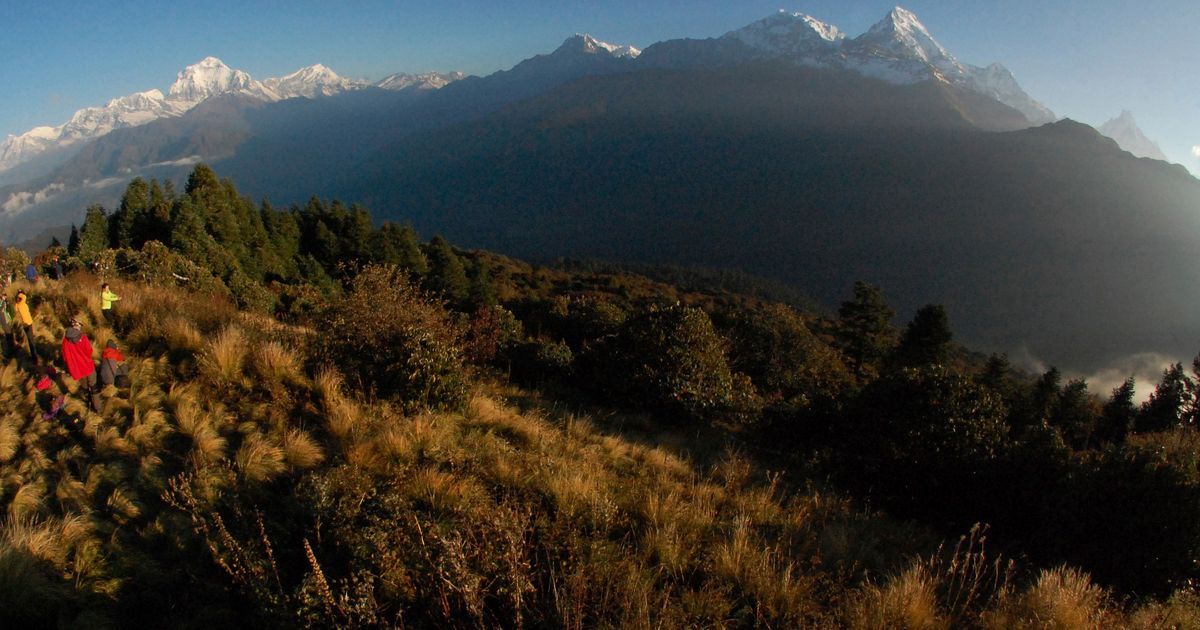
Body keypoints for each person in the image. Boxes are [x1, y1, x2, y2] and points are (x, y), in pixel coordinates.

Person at [61, 320, 101, 412]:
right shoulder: (83, 338)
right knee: (94, 387)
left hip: (78, 369)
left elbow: (65, 357)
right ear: (78, 326)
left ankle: (88, 403)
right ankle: (97, 408)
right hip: (88, 366)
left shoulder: (65, 341)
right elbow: (89, 351)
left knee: (85, 387)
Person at [13, 289, 37, 360]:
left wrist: (18, 295)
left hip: (27, 324)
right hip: (27, 324)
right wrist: (19, 294)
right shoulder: (21, 304)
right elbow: (24, 297)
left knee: (30, 340)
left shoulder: (20, 304)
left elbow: (23, 297)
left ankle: (34, 356)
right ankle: (34, 357)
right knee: (31, 340)